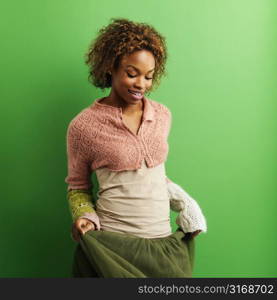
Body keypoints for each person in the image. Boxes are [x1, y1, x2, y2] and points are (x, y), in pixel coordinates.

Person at [65, 18, 207, 278]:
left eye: (149, 76)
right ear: (111, 66)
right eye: (132, 74)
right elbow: (78, 188)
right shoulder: (83, 126)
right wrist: (84, 215)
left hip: (163, 244)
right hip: (113, 248)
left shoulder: (162, 116)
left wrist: (186, 203)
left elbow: (154, 176)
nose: (141, 84)